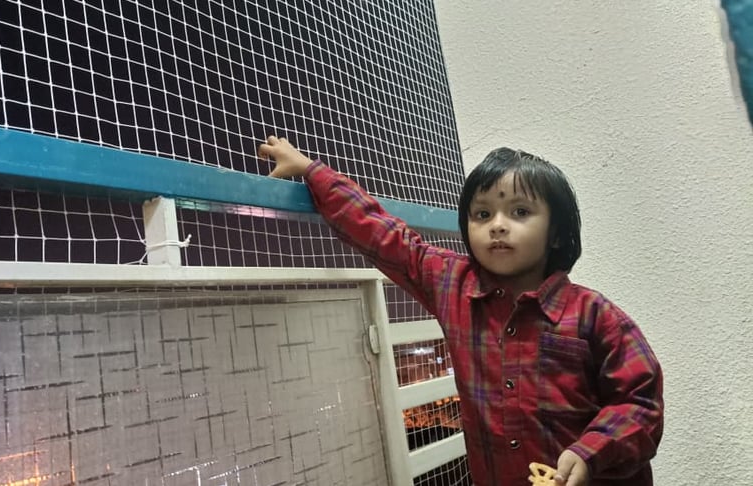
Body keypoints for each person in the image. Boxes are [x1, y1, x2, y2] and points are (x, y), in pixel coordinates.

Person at [258, 136, 664, 486]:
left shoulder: (596, 315)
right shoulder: (452, 284)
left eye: (520, 212)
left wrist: (591, 451)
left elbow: (641, 405)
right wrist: (312, 170)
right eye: (482, 214)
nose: (498, 225)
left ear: (556, 231)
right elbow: (384, 235)